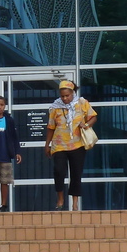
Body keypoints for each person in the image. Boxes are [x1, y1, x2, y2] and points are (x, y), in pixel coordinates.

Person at [44, 79, 97, 212]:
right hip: (59, 145)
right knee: (59, 171)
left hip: (77, 144)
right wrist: (47, 145)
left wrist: (86, 125)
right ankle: (60, 198)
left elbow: (93, 117)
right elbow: (51, 127)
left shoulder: (82, 103)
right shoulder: (55, 107)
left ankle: (74, 203)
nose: (65, 98)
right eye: (62, 96)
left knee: (76, 173)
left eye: (67, 95)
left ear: (73, 93)